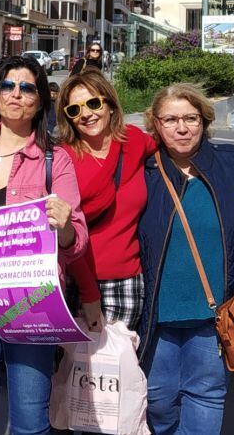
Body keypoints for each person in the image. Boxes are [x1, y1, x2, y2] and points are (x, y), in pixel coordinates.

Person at [0, 55, 88, 435]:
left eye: (27, 88)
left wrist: (64, 227)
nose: (16, 95)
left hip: (28, 303)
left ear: (40, 100)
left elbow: (77, 240)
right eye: (7, 85)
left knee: (29, 418)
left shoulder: (56, 160)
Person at [138, 83, 234, 435]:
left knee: (206, 392)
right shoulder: (143, 171)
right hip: (158, 311)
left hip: (216, 310)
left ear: (204, 122)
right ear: (155, 125)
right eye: (170, 119)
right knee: (157, 397)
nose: (182, 128)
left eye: (191, 118)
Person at [56, 69, 158, 334]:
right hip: (75, 282)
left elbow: (176, 149)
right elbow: (65, 235)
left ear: (110, 105)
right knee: (72, 373)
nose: (86, 114)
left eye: (93, 103)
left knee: (118, 370)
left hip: (126, 282)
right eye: (74, 110)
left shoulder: (134, 141)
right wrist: (89, 293)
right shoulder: (63, 159)